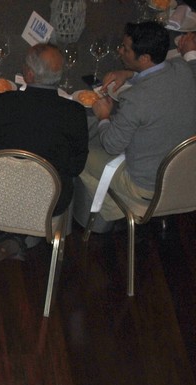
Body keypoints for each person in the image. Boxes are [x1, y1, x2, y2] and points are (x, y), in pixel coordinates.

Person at [74, 22, 196, 232]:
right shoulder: (184, 70)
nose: (120, 51)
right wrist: (130, 73)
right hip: (186, 177)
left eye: (126, 49)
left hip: (146, 188)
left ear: (145, 58)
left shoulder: (135, 99)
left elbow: (111, 145)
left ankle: (112, 214)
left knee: (78, 152)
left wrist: (103, 116)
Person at [0, 44, 89, 262]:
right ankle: (22, 236)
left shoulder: (4, 102)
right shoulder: (74, 113)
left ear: (29, 74)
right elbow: (76, 166)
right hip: (49, 202)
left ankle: (15, 235)